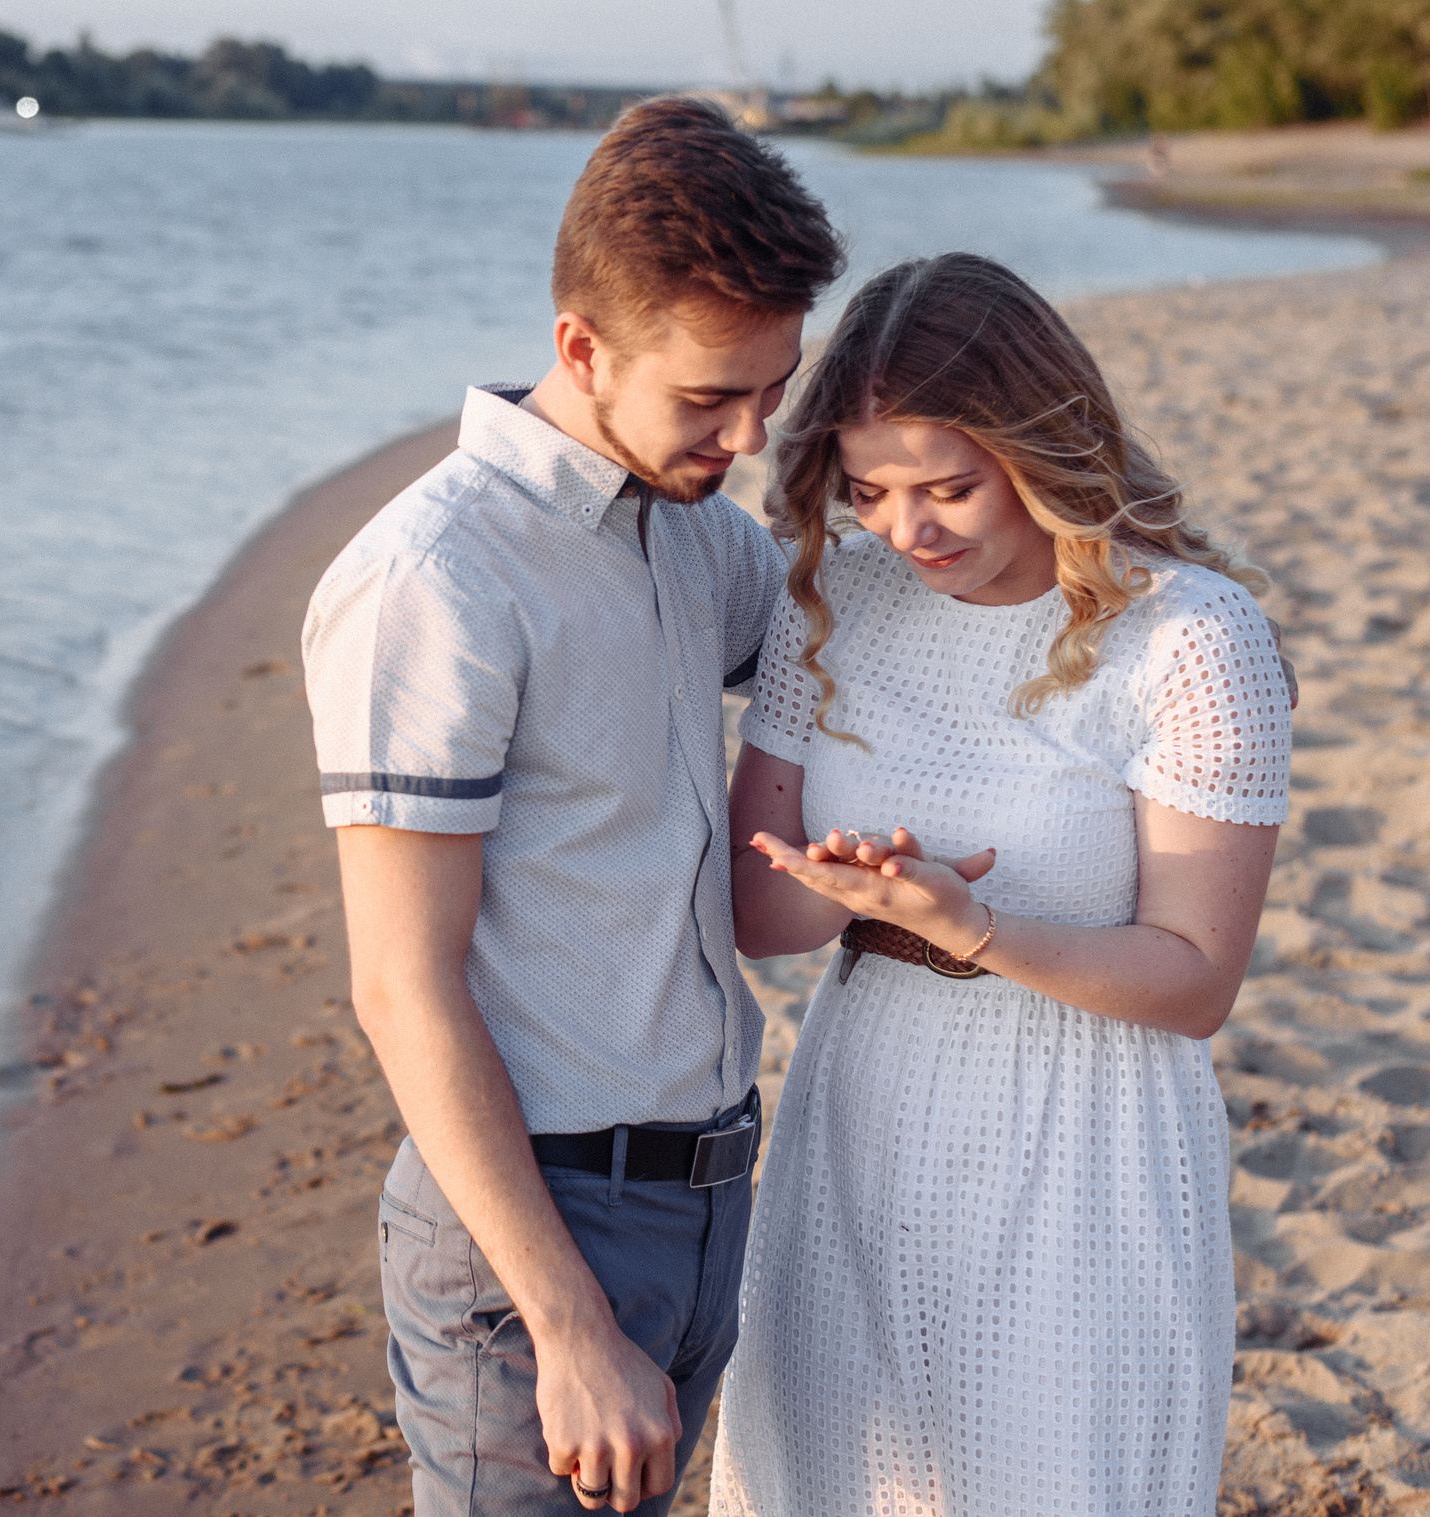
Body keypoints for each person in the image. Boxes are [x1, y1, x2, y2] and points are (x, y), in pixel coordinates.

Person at [300, 97, 844, 1517]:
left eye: (772, 391)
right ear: (581, 350)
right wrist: (565, 1325)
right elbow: (399, 984)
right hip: (533, 1235)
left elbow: (864, 641)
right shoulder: (440, 577)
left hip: (712, 1193)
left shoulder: (691, 535)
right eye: (709, 398)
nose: (748, 435)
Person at [708, 251, 1292, 1517]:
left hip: (1085, 1132)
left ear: (1042, 449)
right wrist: (849, 887)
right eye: (866, 489)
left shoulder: (1191, 637)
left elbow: (1194, 980)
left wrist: (972, 925)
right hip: (864, 1105)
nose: (906, 529)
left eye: (949, 487)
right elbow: (764, 918)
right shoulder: (838, 594)